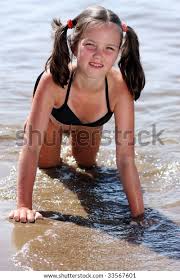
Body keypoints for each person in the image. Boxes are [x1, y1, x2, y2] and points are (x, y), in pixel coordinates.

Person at [9, 5, 145, 223]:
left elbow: (126, 158)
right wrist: (23, 206)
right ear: (74, 45)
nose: (99, 55)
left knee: (87, 167)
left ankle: (75, 145)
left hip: (90, 125)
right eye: (90, 45)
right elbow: (31, 146)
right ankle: (58, 141)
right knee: (50, 167)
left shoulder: (120, 88)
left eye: (109, 48)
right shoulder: (53, 81)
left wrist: (139, 215)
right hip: (53, 121)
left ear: (119, 52)